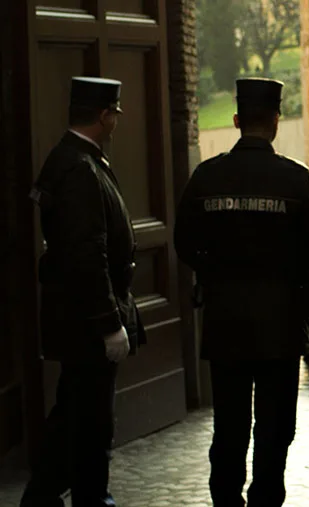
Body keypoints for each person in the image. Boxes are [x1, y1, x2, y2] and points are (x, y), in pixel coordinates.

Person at [173, 77, 309, 507]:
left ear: (237, 120)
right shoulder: (296, 178)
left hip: (225, 322)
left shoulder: (207, 176)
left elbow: (184, 242)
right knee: (275, 426)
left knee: (229, 424)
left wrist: (215, 269)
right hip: (282, 324)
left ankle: (226, 499)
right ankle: (265, 498)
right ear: (276, 121)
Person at [21, 76, 146, 507]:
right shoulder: (79, 168)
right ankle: (80, 500)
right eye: (115, 114)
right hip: (86, 324)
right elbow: (86, 254)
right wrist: (109, 323)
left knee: (78, 417)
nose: (116, 122)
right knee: (88, 423)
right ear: (104, 116)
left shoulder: (79, 159)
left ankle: (52, 498)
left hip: (80, 319)